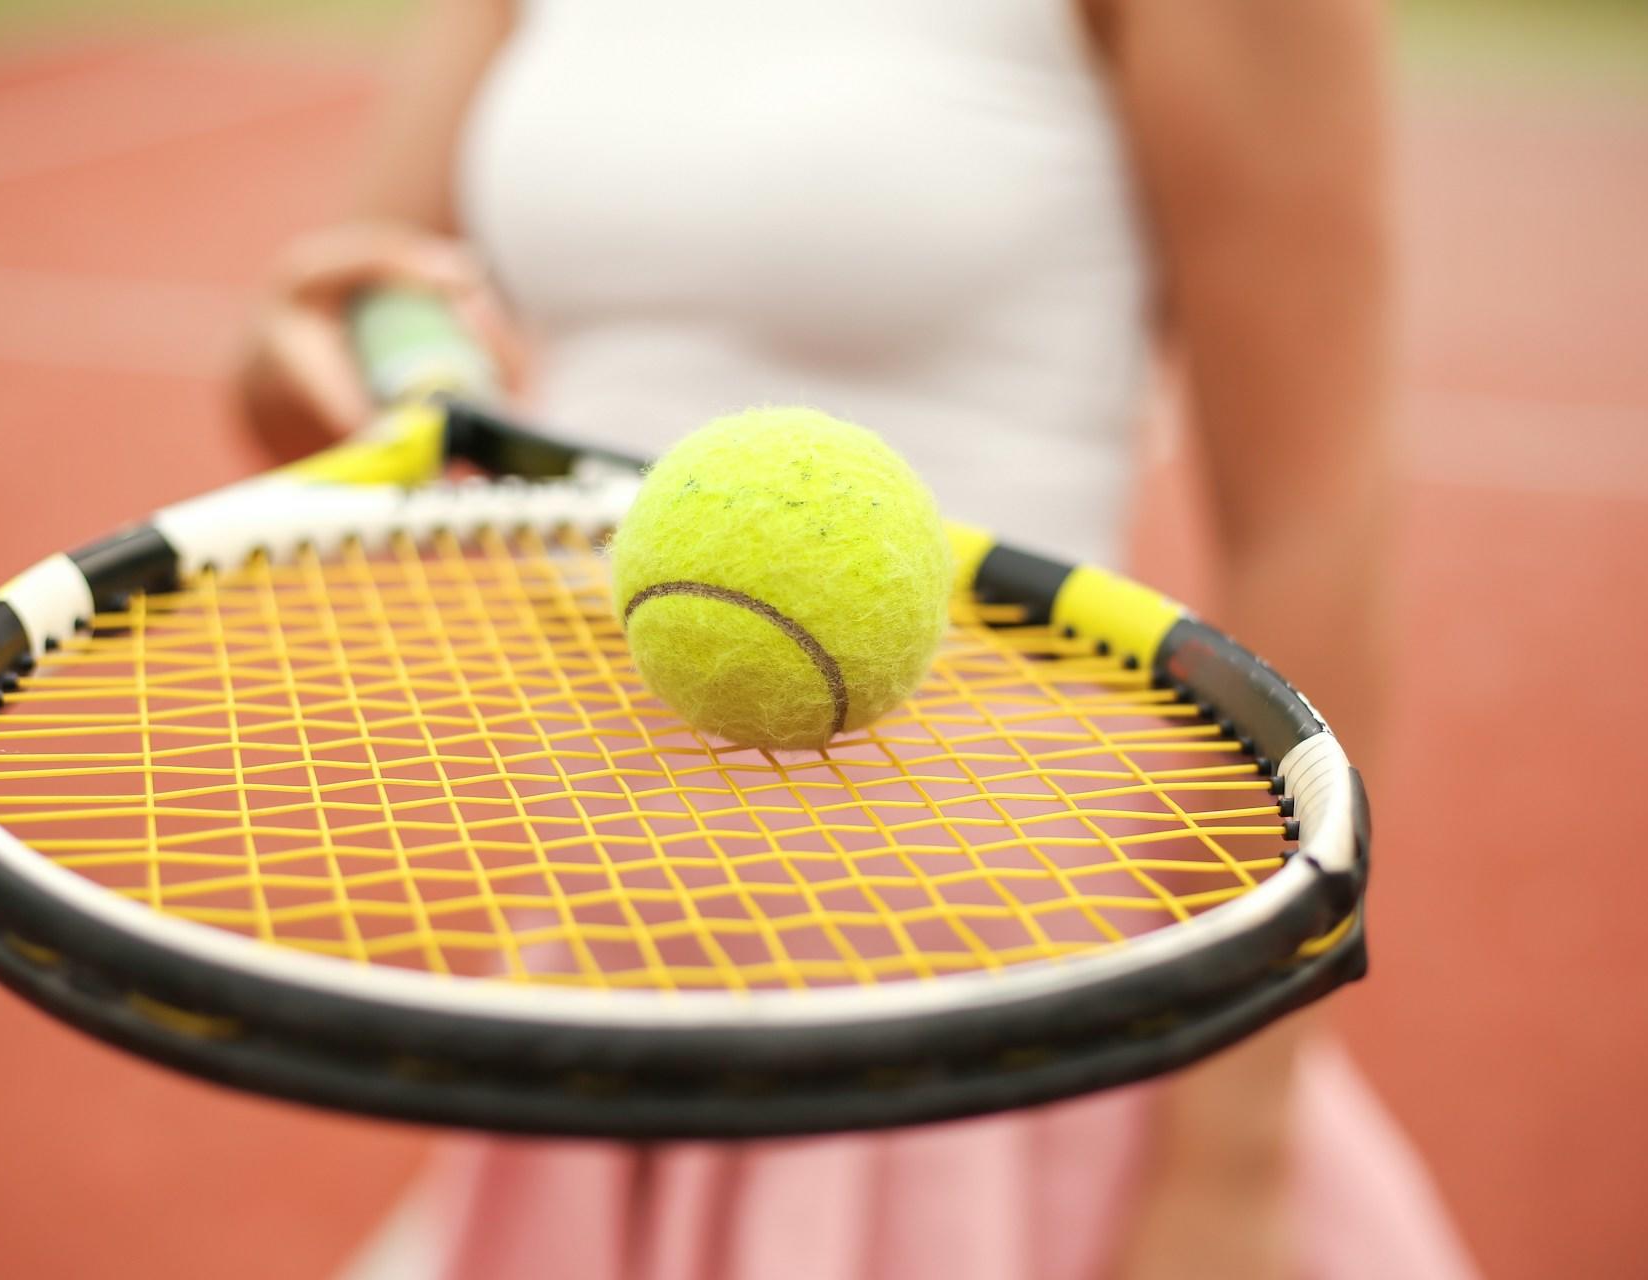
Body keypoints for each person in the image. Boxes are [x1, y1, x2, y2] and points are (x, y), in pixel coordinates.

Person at [239, 2, 1476, 1276]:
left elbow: (1310, 527)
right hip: (599, 955)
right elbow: (355, 307)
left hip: (978, 999)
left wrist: (1230, 1163)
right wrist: (319, 348)